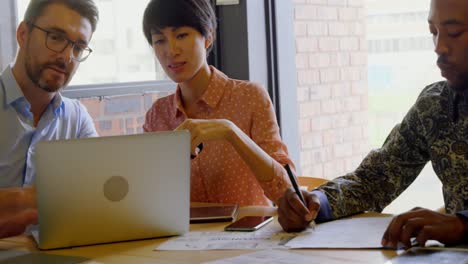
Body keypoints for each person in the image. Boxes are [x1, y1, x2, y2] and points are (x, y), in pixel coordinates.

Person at [278, 0, 468, 248]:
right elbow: (375, 179)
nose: (439, 47)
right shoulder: (435, 106)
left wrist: (462, 225)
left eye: (454, 33)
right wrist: (317, 201)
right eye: (433, 32)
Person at [142, 0, 293, 206]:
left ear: (208, 37)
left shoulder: (250, 97)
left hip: (250, 235)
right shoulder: (157, 115)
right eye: (160, 40)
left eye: (181, 35)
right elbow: (147, 195)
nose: (171, 50)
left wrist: (230, 131)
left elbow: (286, 191)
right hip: (185, 237)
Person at [0, 0, 99, 237]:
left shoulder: (77, 119)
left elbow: (100, 195)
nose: (66, 57)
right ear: (23, 34)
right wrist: (30, 198)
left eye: (78, 47)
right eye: (55, 37)